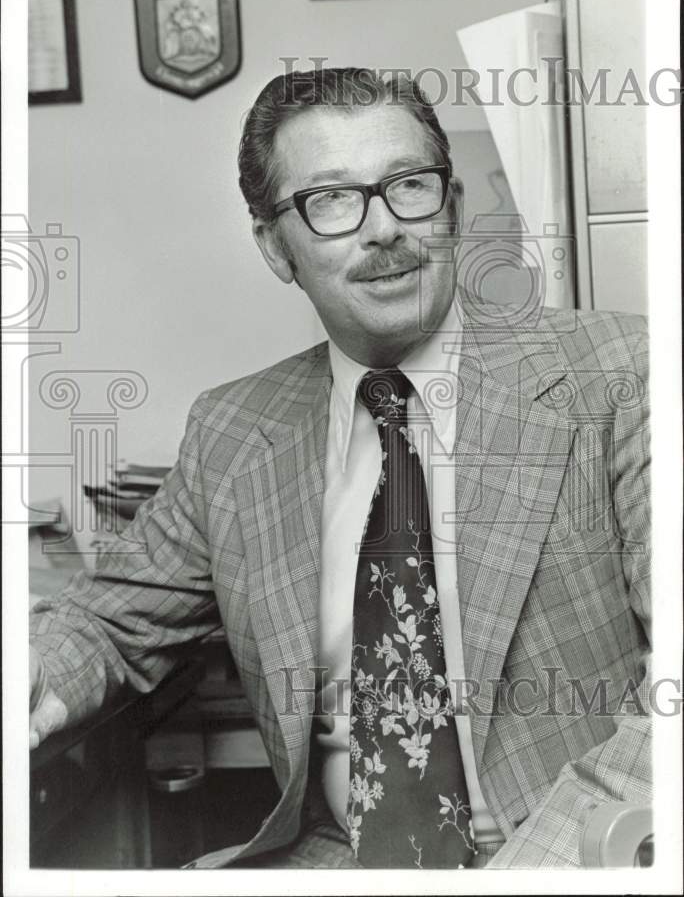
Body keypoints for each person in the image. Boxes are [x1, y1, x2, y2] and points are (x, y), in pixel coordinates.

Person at [29, 67, 651, 869]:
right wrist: (38, 670)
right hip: (338, 858)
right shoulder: (234, 431)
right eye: (331, 201)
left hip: (568, 851)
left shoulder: (620, 374)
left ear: (452, 209)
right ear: (274, 246)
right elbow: (112, 621)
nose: (384, 228)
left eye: (409, 186)